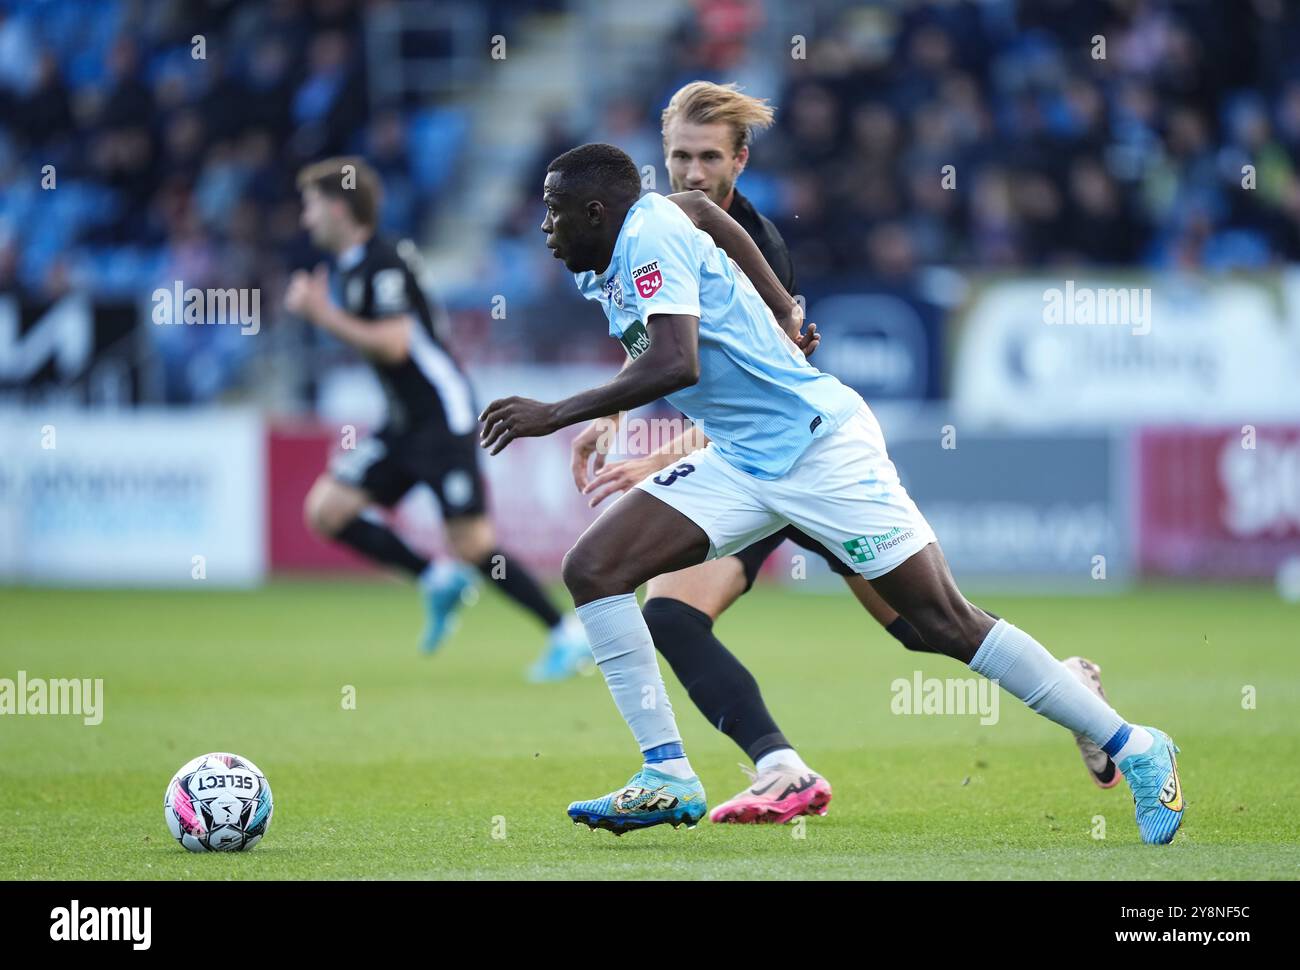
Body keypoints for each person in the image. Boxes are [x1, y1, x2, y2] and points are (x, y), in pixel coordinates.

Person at [479, 143, 1183, 844]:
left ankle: (1135, 746)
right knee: (595, 569)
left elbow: (676, 358)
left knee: (941, 625)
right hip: (744, 460)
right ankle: (666, 773)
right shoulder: (617, 250)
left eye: (553, 212)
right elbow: (698, 215)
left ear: (597, 212)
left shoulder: (648, 233)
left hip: (821, 449)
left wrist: (554, 412)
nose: (544, 226)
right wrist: (782, 307)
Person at [286, 156, 590, 681]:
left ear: (338, 208)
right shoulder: (358, 264)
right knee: (327, 511)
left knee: (473, 545)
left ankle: (566, 633)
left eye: (311, 207)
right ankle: (434, 578)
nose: (305, 220)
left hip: (440, 419)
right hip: (403, 422)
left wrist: (323, 316)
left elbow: (395, 343)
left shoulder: (380, 263)